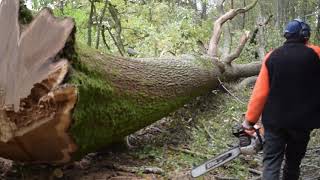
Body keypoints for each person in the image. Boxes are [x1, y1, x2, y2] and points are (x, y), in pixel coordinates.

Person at [242, 19, 320, 180]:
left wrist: (249, 121)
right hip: (302, 123)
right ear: (306, 36)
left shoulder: (272, 56)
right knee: (293, 163)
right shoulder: (317, 54)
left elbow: (260, 93)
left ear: (286, 35)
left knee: (271, 163)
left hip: (274, 123)